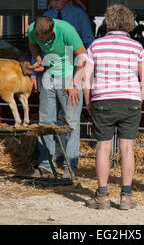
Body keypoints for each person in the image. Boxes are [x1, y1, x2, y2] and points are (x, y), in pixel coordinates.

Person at [82, 4, 144, 210]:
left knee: (103, 147)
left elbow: (86, 77)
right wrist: (138, 99)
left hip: (103, 100)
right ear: (129, 24)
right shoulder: (137, 47)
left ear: (108, 23)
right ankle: (126, 196)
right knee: (127, 148)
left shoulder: (96, 45)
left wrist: (88, 101)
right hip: (130, 100)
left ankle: (102, 195)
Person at [28, 16, 86, 179]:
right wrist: (39, 59)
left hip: (69, 76)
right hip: (48, 76)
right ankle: (45, 165)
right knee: (45, 122)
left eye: (44, 39)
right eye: (39, 38)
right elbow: (32, 45)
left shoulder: (67, 31)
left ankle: (70, 167)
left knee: (71, 122)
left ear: (52, 32)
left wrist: (74, 83)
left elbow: (83, 56)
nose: (42, 42)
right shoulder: (32, 29)